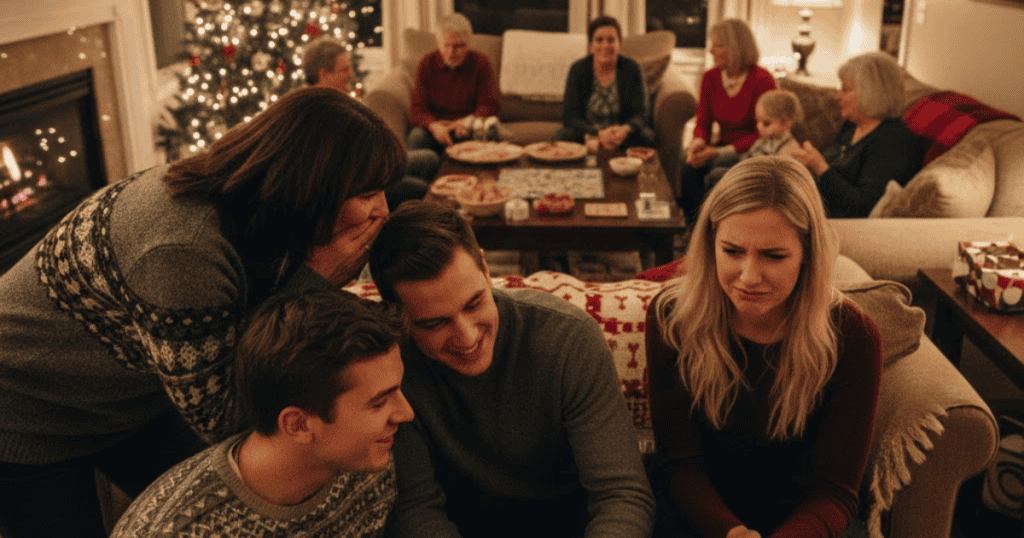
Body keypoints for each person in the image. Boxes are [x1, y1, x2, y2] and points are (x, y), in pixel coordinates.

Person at [0, 87, 405, 538]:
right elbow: (226, 414)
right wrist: (317, 279)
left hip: (138, 393)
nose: (382, 209)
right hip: (26, 408)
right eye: (367, 192)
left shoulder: (266, 207)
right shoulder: (184, 249)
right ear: (312, 186)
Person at [368, 201, 655, 537]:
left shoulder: (568, 340)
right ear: (398, 316)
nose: (467, 336)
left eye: (474, 303)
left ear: (487, 269)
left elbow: (621, 495)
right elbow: (417, 509)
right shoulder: (389, 367)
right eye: (435, 323)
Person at [647, 156, 883, 538]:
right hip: (699, 515)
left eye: (774, 256)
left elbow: (835, 492)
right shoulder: (672, 317)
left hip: (810, 524)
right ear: (709, 245)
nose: (749, 277)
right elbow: (680, 464)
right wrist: (732, 532)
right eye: (732, 251)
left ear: (809, 254)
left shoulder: (853, 337)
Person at [110, 288, 415, 537]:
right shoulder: (176, 530)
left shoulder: (365, 465)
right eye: (378, 403)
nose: (406, 413)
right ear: (298, 425)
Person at [303, 36, 438, 209]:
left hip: (372, 167)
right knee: (424, 190)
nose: (351, 74)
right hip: (359, 186)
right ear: (324, 74)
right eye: (344, 69)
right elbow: (340, 173)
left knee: (430, 159)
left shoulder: (334, 100)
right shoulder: (317, 112)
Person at [790, 51, 923, 218]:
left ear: (872, 92)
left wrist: (819, 166)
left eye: (845, 90)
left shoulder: (894, 142)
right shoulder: (851, 127)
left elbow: (862, 207)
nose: (838, 96)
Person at [679, 18, 777, 223]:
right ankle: (695, 227)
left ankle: (716, 228)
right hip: (721, 145)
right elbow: (702, 123)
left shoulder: (762, 80)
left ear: (736, 47)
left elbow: (765, 134)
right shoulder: (710, 78)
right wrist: (698, 143)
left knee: (717, 167)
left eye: (718, 45)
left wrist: (718, 152)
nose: (711, 50)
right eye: (711, 44)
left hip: (753, 150)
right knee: (687, 162)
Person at [408, 12, 501, 159]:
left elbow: (490, 105)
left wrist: (467, 122)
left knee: (490, 131)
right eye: (446, 45)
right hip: (436, 128)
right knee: (416, 137)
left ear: (469, 43)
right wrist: (434, 126)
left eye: (459, 46)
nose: (452, 53)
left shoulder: (481, 63)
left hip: (468, 127)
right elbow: (418, 110)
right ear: (438, 43)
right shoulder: (426, 63)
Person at [557, 15, 656, 151]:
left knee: (647, 137)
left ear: (619, 43)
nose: (605, 45)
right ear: (591, 43)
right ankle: (599, 145)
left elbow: (642, 112)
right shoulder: (578, 69)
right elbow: (569, 116)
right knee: (562, 136)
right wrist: (596, 133)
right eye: (599, 40)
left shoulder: (633, 68)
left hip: (622, 133)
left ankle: (601, 147)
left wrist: (625, 129)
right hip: (588, 133)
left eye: (611, 40)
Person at [704, 89, 803, 190]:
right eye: (757, 121)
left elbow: (777, 180)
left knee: (714, 176)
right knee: (718, 163)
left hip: (758, 182)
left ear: (786, 123)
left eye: (766, 123)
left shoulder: (789, 149)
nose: (759, 127)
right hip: (748, 170)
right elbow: (748, 156)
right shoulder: (765, 139)